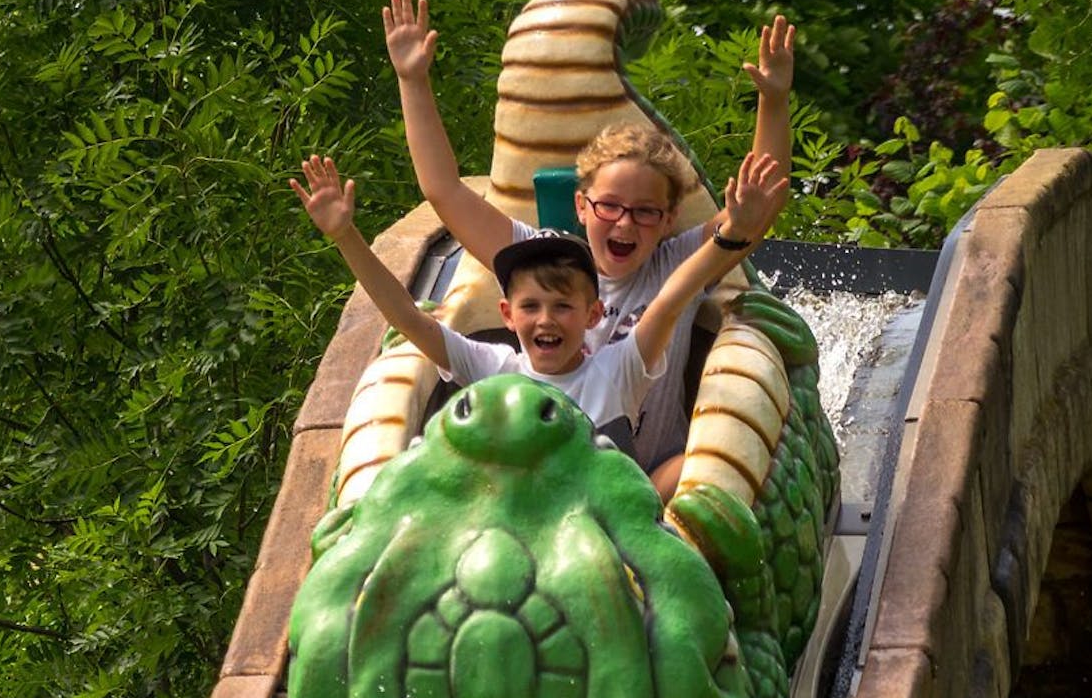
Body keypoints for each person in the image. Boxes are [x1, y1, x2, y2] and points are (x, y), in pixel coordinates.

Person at [382, 0, 795, 482]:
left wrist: (772, 101)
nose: (624, 223)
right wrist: (411, 80)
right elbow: (445, 192)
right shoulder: (546, 258)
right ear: (582, 205)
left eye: (644, 212)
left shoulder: (673, 262)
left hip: (648, 476)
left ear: (667, 219)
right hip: (555, 473)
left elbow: (756, 211)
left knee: (698, 480)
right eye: (610, 207)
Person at [290, 152, 787, 496]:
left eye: (564, 308)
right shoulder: (494, 367)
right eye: (531, 307)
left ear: (594, 316)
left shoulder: (617, 371)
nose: (546, 320)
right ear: (508, 315)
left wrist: (733, 233)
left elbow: (676, 293)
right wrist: (346, 236)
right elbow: (406, 317)